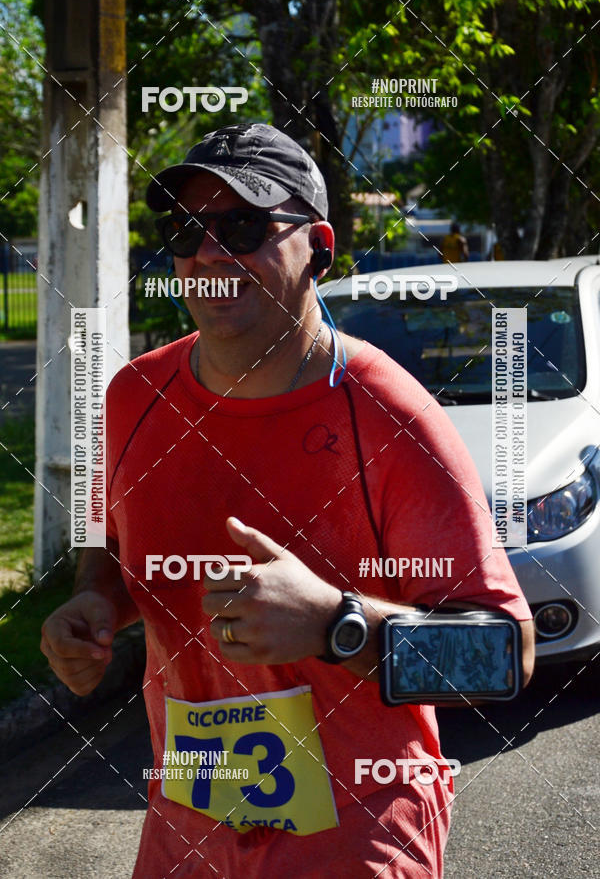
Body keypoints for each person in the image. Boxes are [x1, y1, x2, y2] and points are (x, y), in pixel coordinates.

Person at [41, 123, 534, 878]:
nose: (208, 252)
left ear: (319, 246)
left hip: (356, 837)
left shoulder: (388, 415)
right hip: (191, 830)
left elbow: (502, 655)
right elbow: (113, 544)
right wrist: (94, 606)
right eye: (185, 228)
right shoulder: (133, 395)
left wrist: (336, 623)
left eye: (244, 225)